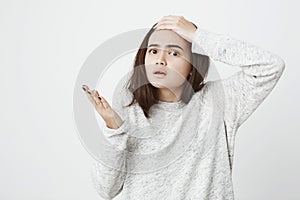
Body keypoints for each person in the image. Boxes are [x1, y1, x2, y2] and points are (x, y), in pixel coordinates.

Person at [82, 15, 285, 200]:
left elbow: (270, 66)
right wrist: (114, 129)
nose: (160, 60)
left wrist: (198, 36)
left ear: (192, 67)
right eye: (153, 51)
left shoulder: (219, 101)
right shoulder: (130, 109)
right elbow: (106, 189)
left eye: (174, 53)